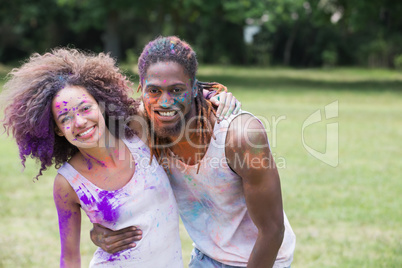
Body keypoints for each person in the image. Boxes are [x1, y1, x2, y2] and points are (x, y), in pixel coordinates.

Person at [1, 48, 237, 267]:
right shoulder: (68, 183)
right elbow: (69, 257)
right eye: (65, 118)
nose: (80, 122)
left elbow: (169, 98)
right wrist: (97, 235)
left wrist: (215, 94)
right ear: (57, 130)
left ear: (100, 105)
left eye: (85, 108)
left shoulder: (139, 134)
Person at [91, 36, 296, 268]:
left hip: (262, 260)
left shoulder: (240, 136)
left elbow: (272, 231)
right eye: (154, 90)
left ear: (194, 86)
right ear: (141, 88)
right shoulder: (141, 125)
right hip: (204, 258)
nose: (165, 102)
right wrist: (99, 232)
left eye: (177, 90)